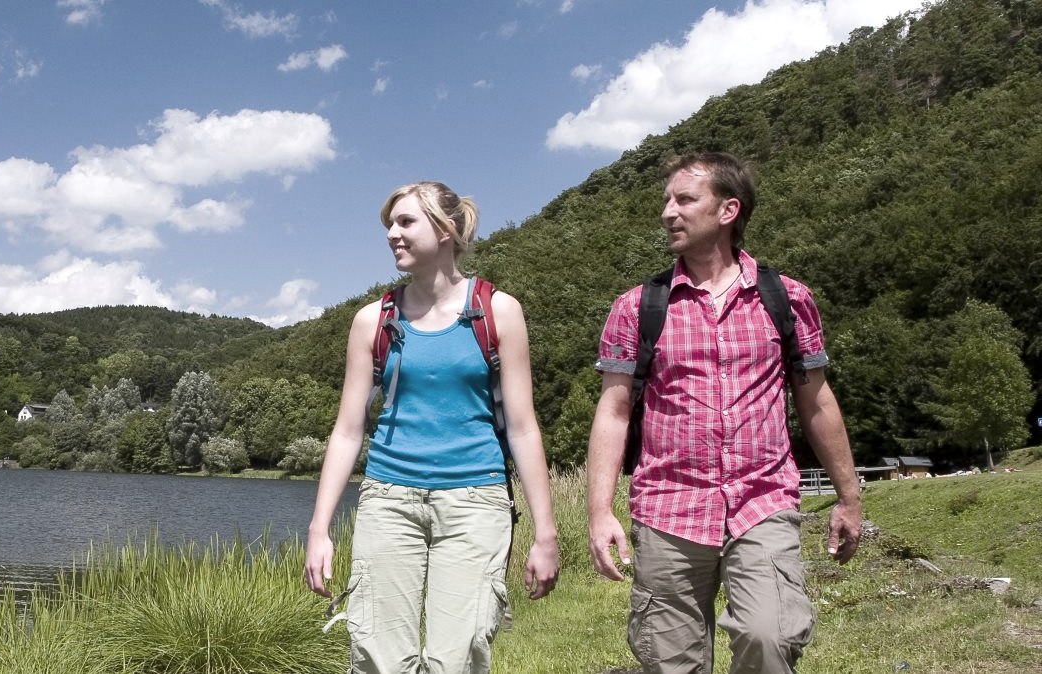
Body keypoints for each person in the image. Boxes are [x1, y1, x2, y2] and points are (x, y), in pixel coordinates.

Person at [585, 152, 862, 674]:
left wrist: (849, 496)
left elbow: (816, 401)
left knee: (770, 637)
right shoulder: (638, 306)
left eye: (684, 199)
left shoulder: (787, 298)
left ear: (728, 209)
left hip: (762, 500)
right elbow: (614, 411)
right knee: (671, 663)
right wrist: (599, 512)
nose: (668, 211)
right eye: (666, 200)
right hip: (668, 508)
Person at [304, 181, 560, 674]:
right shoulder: (372, 321)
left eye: (405, 223)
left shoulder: (498, 311)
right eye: (389, 225)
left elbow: (524, 428)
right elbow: (348, 430)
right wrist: (320, 529)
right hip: (388, 501)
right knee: (378, 656)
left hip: (475, 504)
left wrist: (545, 532)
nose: (392, 235)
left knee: (458, 656)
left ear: (445, 230)